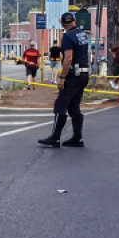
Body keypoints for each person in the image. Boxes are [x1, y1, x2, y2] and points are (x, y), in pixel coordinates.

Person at [38, 12, 91, 148]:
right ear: (74, 21)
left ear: (61, 22)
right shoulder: (82, 34)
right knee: (74, 106)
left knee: (60, 104)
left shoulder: (67, 37)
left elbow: (68, 58)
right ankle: (77, 138)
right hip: (84, 74)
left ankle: (55, 138)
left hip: (74, 75)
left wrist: (62, 77)